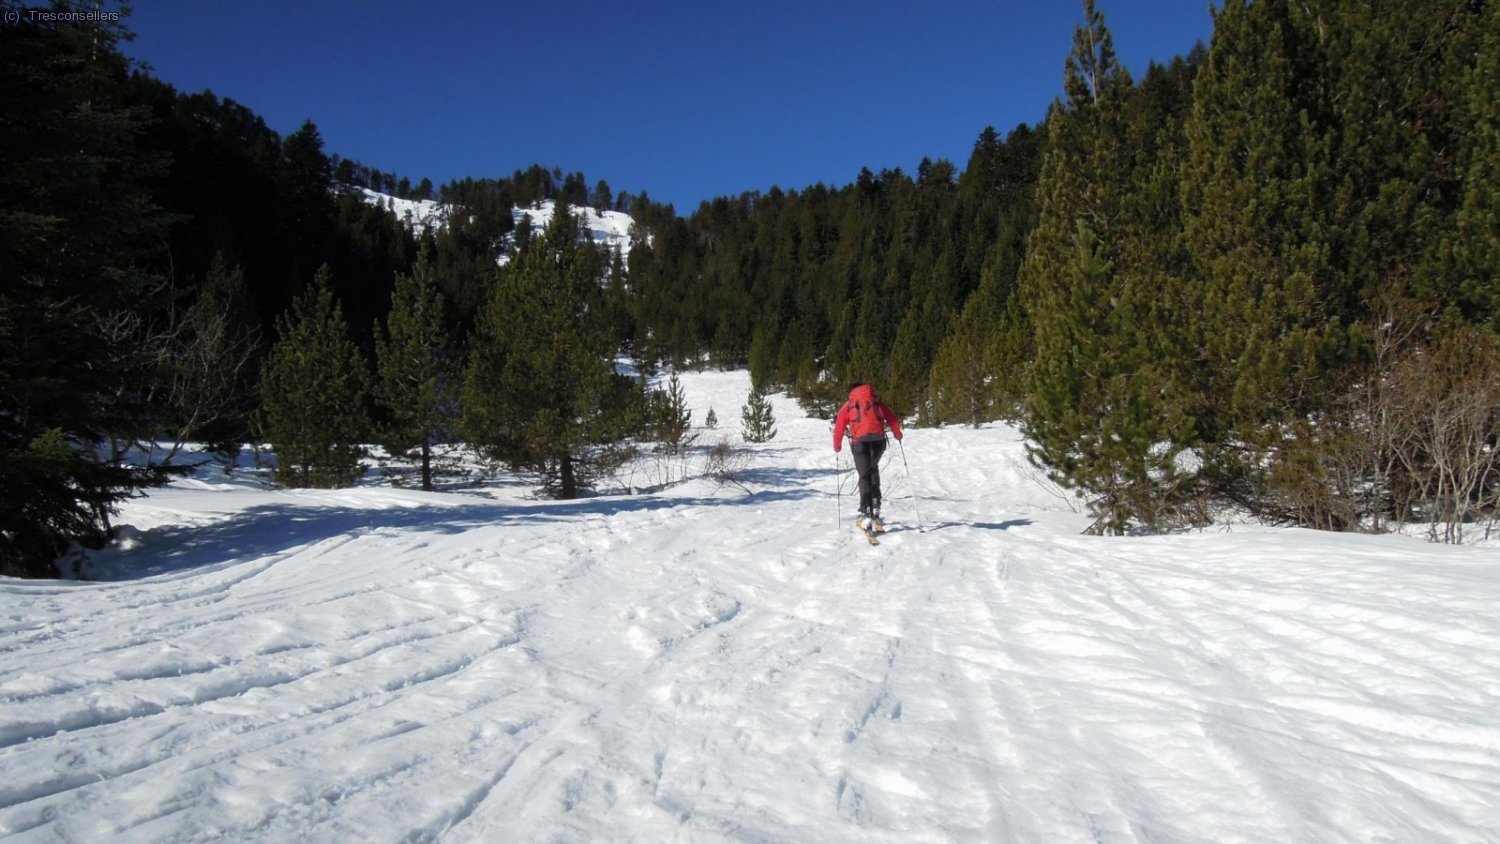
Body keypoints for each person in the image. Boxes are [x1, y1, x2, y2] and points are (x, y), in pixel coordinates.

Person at [833, 382, 903, 531]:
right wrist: (897, 434)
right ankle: (876, 505)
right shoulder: (875, 401)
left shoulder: (849, 405)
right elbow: (892, 418)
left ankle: (866, 511)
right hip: (878, 441)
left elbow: (839, 426)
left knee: (864, 475)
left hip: (859, 443)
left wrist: (837, 446)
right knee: (873, 469)